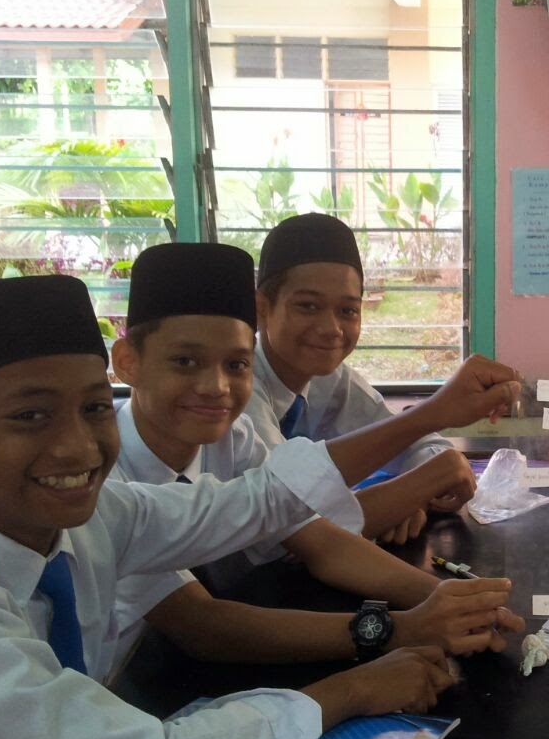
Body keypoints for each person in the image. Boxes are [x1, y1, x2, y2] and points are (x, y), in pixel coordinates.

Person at [0, 274, 522, 739]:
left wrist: (436, 600)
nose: (77, 447)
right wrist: (353, 689)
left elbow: (265, 504)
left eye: (95, 408)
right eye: (30, 416)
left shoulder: (99, 515)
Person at [105, 242, 523, 677]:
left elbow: (320, 540)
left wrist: (450, 602)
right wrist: (397, 629)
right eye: (185, 361)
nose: (215, 386)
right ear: (127, 362)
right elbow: (202, 626)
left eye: (236, 364)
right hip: (123, 684)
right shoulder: (104, 481)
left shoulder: (232, 437)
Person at [244, 213, 462, 544]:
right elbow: (282, 526)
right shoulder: (234, 391)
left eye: (347, 311)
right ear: (262, 307)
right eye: (308, 306)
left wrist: (411, 495)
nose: (331, 329)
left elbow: (419, 444)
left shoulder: (331, 380)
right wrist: (408, 492)